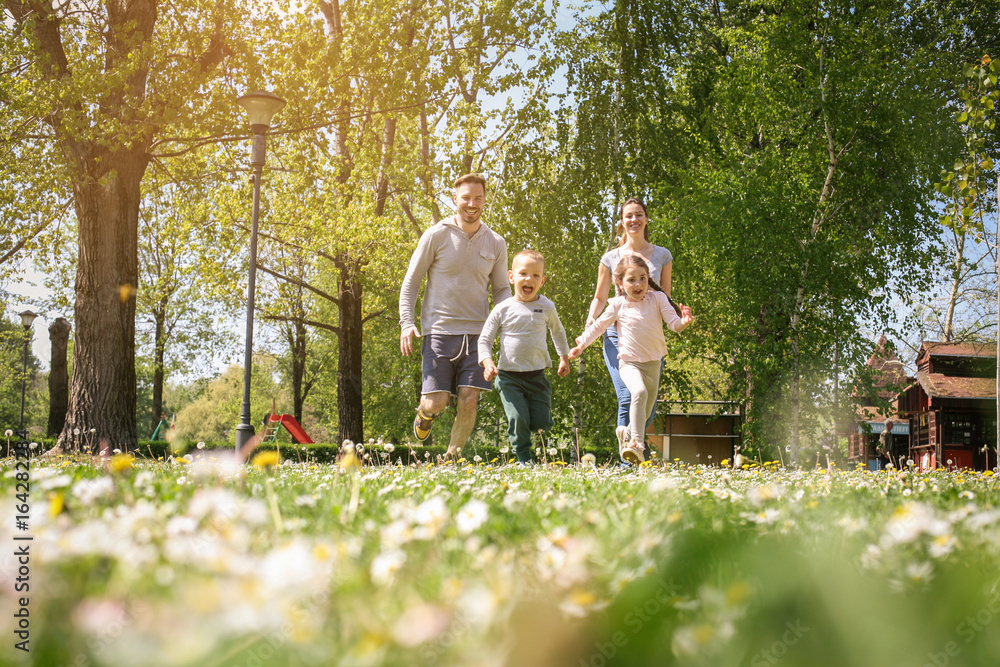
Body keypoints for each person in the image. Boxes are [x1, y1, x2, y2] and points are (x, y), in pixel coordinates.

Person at [399, 173, 511, 459]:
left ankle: (452, 457)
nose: (472, 204)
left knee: (469, 400)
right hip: (439, 332)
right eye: (466, 198)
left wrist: (510, 324)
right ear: (455, 198)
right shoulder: (436, 234)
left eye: (478, 198)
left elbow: (500, 289)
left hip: (478, 336)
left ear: (484, 201)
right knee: (436, 402)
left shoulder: (495, 243)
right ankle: (425, 412)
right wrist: (407, 323)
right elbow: (412, 282)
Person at [570, 254, 694, 464]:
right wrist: (581, 343)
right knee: (638, 392)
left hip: (653, 363)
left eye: (643, 278)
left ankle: (626, 433)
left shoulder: (658, 299)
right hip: (629, 363)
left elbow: (674, 324)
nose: (638, 284)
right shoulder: (618, 305)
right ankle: (636, 444)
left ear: (648, 278)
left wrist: (684, 321)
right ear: (620, 283)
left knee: (645, 416)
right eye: (631, 280)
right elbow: (599, 326)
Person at [586, 197, 677, 459]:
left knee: (649, 409)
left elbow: (665, 297)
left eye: (639, 215)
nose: (634, 220)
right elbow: (600, 297)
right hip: (617, 335)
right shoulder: (610, 258)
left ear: (646, 219)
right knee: (629, 396)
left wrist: (678, 319)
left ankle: (627, 436)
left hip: (648, 339)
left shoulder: (662, 255)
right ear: (622, 222)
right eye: (629, 216)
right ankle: (631, 459)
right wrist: (591, 320)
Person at [478, 249, 571, 464]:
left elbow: (558, 332)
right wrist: (487, 362)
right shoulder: (502, 309)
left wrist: (564, 357)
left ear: (542, 280)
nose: (529, 279)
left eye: (536, 275)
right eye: (523, 274)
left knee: (540, 423)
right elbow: (484, 340)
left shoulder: (546, 306)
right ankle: (523, 459)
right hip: (509, 377)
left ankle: (537, 433)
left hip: (537, 375)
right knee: (518, 418)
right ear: (511, 277)